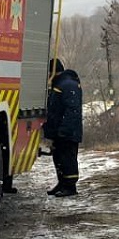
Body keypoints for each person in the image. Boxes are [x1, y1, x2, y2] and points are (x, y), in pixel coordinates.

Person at [42, 58, 83, 197]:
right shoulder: (59, 84)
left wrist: (64, 130)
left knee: (68, 159)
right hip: (59, 131)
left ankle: (70, 187)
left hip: (67, 132)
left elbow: (72, 110)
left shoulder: (67, 85)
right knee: (59, 158)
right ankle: (62, 183)